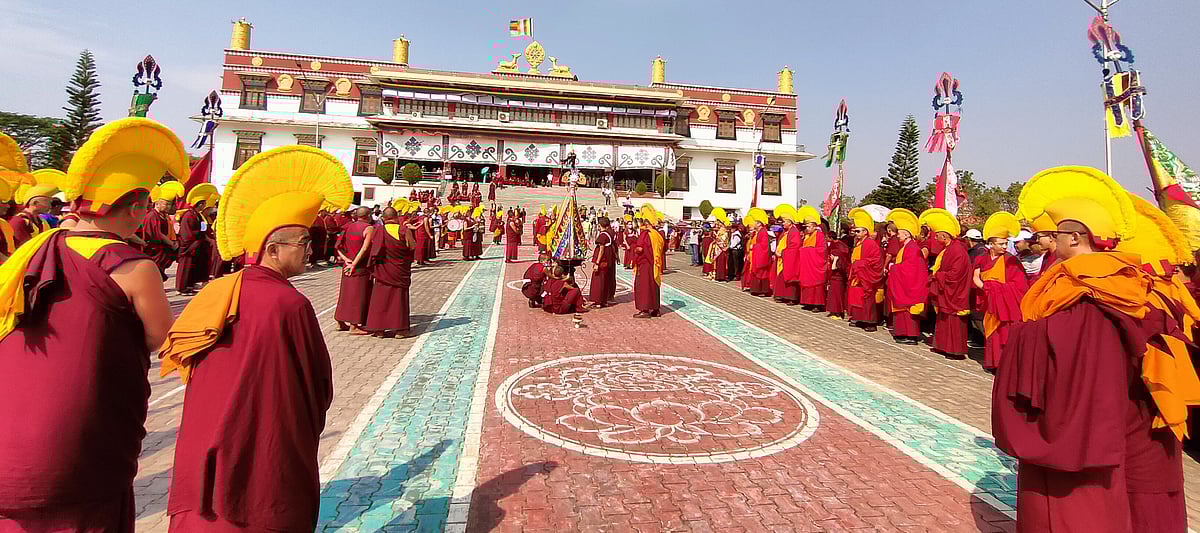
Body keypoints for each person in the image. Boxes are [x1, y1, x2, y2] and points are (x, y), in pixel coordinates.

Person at [0, 118, 185, 531]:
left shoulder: (31, 251)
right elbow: (160, 338)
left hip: (10, 423)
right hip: (81, 430)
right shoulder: (134, 267)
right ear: (136, 208)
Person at [993, 165, 1200, 533]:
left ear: (1076, 237)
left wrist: (1025, 335)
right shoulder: (1123, 279)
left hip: (1091, 418)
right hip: (1126, 412)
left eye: (1055, 234)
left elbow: (1070, 355)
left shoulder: (1089, 286)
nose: (1049, 243)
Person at [159, 145, 350, 532]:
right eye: (304, 243)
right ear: (273, 250)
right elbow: (316, 383)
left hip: (206, 430)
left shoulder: (216, 291)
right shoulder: (287, 302)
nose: (312, 251)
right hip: (264, 432)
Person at [973, 211, 1028, 371]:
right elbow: (975, 277)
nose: (1005, 247)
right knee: (991, 332)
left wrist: (991, 287)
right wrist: (986, 288)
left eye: (1006, 243)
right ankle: (992, 362)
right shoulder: (981, 259)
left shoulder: (1011, 260)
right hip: (990, 301)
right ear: (991, 244)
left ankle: (1003, 365)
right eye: (1001, 244)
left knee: (1004, 334)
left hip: (1006, 304)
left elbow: (1019, 286)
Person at [920, 209, 972, 359]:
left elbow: (955, 274)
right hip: (946, 291)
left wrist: (938, 276)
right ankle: (942, 346)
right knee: (943, 320)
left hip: (955, 292)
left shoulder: (957, 251)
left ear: (945, 235)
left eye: (937, 235)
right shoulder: (948, 249)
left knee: (954, 321)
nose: (935, 238)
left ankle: (955, 351)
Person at [366, 206, 414, 338]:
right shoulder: (403, 230)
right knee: (398, 298)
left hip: (383, 269)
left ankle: (379, 330)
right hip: (399, 269)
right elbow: (412, 246)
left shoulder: (378, 230)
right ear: (396, 217)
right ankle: (400, 330)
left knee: (380, 297)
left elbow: (373, 248)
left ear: (384, 218)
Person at [884, 209, 928, 345]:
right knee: (901, 310)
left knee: (907, 310)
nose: (897, 236)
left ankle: (910, 335)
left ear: (907, 234)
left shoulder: (912, 248)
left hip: (909, 285)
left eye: (900, 233)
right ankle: (902, 333)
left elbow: (911, 268)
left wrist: (893, 268)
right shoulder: (905, 247)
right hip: (902, 283)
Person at [334, 207, 375, 334]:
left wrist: (346, 260)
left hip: (347, 264)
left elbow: (337, 246)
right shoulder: (369, 228)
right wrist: (354, 264)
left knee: (345, 293)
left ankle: (340, 321)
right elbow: (364, 248)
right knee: (358, 295)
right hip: (359, 266)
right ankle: (354, 325)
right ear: (368, 215)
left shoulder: (347, 226)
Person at [175, 183, 218, 296]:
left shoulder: (196, 215)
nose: (204, 206)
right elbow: (187, 232)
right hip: (188, 245)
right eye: (203, 204)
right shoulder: (189, 215)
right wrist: (200, 236)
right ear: (199, 204)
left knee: (192, 267)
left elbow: (201, 227)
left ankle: (189, 285)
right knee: (185, 267)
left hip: (195, 244)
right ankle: (181, 288)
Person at [846, 208, 884, 332]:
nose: (856, 233)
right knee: (857, 297)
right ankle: (859, 319)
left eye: (858, 231)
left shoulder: (870, 244)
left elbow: (876, 261)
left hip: (865, 275)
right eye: (855, 231)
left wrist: (860, 264)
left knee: (867, 299)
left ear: (865, 232)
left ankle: (870, 322)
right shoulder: (859, 243)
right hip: (857, 275)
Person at [138, 182, 183, 281]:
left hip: (163, 248)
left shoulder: (165, 216)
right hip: (154, 248)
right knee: (153, 271)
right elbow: (156, 233)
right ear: (157, 203)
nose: (169, 207)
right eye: (167, 204)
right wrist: (171, 243)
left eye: (170, 204)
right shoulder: (152, 216)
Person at [8, 170, 58, 248]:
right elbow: (22, 248)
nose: (50, 206)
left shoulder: (42, 222)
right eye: (48, 202)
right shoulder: (19, 221)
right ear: (35, 203)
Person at [632, 205, 665, 318]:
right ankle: (656, 309)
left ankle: (644, 310)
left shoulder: (645, 234)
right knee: (653, 285)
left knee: (643, 286)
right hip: (654, 264)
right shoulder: (657, 234)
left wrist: (635, 250)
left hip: (644, 264)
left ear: (645, 222)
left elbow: (640, 249)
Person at [797, 206, 828, 310]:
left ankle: (817, 305)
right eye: (806, 227)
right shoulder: (807, 236)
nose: (807, 229)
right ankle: (808, 302)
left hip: (815, 265)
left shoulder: (819, 235)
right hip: (807, 265)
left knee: (816, 285)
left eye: (809, 227)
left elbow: (821, 250)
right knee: (807, 284)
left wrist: (806, 251)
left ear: (815, 226)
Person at [773, 204, 802, 304]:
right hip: (782, 259)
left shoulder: (794, 232)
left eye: (784, 221)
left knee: (789, 277)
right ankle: (781, 295)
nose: (783, 224)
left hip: (789, 259)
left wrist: (783, 253)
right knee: (781, 277)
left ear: (790, 222)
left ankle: (791, 298)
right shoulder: (785, 232)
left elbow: (794, 246)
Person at [589, 216, 617, 307]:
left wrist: (597, 262)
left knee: (598, 280)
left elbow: (601, 249)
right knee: (605, 280)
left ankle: (598, 301)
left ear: (600, 225)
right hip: (608, 259)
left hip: (602, 260)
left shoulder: (603, 235)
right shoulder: (611, 233)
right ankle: (604, 300)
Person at [826, 227, 852, 319]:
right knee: (832, 294)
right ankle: (833, 311)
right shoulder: (833, 245)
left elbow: (842, 258)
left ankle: (838, 312)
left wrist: (836, 260)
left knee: (838, 295)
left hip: (838, 275)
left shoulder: (840, 247)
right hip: (833, 276)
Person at [1029, 212, 1059, 278]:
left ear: (1050, 237)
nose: (1037, 240)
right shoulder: (1047, 256)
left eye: (1039, 237)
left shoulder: (1059, 257)